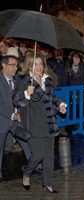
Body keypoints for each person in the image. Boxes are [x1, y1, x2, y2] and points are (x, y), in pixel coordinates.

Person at [12, 51, 66, 193]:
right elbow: (16, 101)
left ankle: (47, 183)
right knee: (37, 155)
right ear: (29, 66)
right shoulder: (23, 81)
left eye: (41, 64)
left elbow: (53, 98)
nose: (39, 67)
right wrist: (26, 94)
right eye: (35, 64)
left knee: (49, 156)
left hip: (49, 123)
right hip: (33, 125)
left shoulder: (47, 80)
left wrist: (60, 105)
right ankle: (27, 173)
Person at [0, 47, 32, 181]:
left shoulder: (17, 81)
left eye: (16, 66)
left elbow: (20, 100)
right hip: (3, 120)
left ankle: (35, 165)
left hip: (16, 120)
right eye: (12, 65)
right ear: (3, 65)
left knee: (26, 140)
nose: (15, 68)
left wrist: (27, 95)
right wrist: (13, 115)